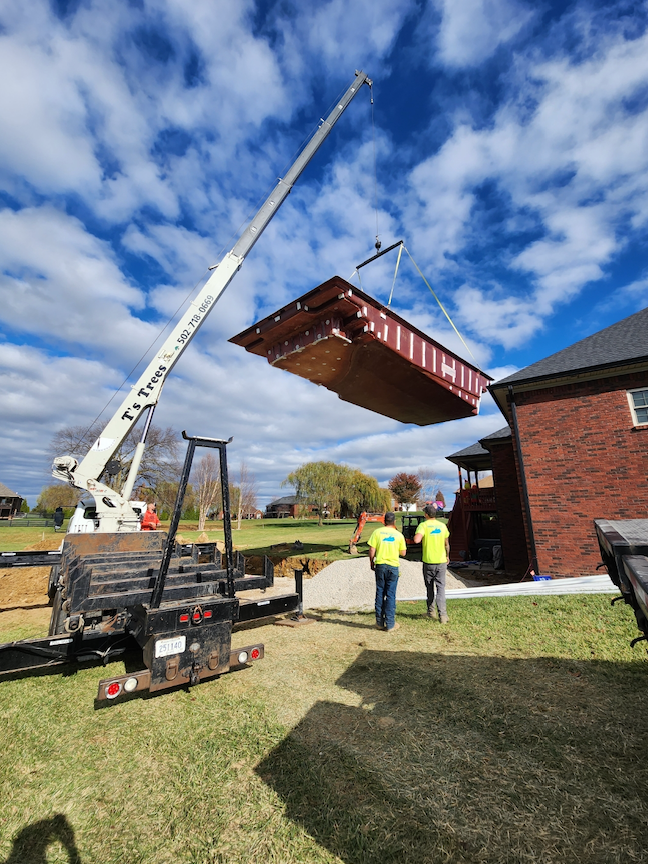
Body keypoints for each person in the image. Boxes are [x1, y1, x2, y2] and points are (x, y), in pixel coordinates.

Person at [368, 512, 406, 632]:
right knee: (390, 594)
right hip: (393, 566)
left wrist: (371, 562)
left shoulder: (377, 532)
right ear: (394, 522)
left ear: (384, 521)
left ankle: (379, 622)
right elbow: (403, 552)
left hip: (380, 565)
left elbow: (372, 549)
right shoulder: (399, 535)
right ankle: (390, 624)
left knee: (380, 592)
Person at [414, 503, 450, 623]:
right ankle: (443, 616)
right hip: (441, 561)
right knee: (441, 588)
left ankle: (431, 611)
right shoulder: (442, 526)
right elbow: (447, 544)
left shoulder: (423, 526)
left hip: (428, 562)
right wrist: (447, 556)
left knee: (429, 588)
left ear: (426, 514)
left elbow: (416, 540)